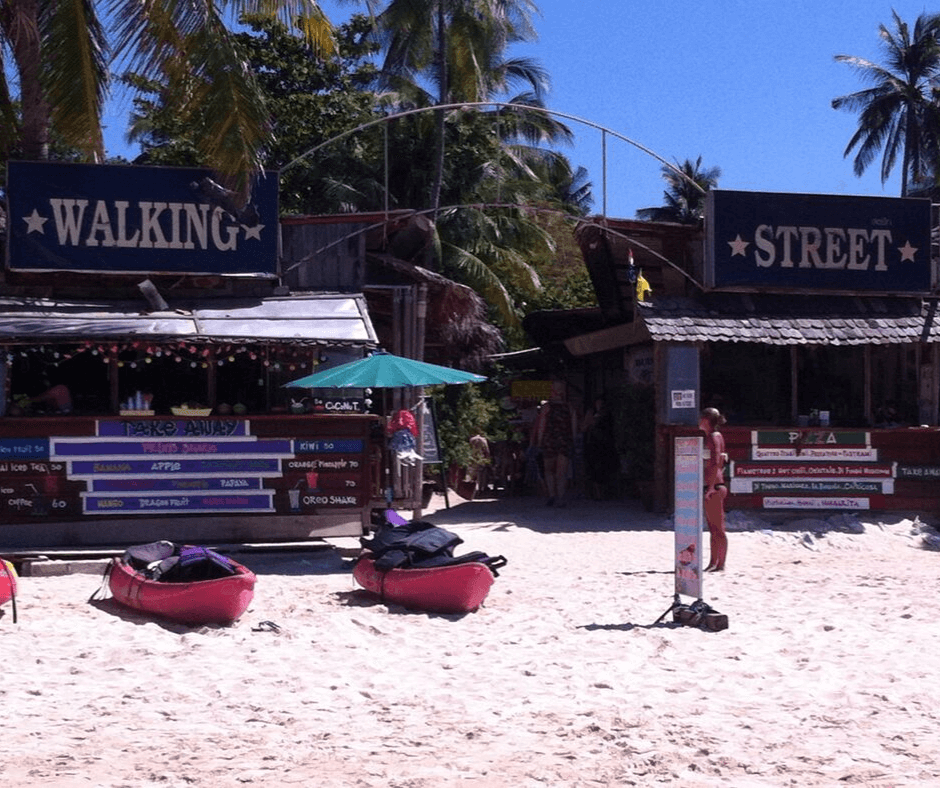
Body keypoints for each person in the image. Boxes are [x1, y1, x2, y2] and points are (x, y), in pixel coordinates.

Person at [533, 380, 578, 507]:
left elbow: (542, 425)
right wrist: (573, 440)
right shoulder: (569, 407)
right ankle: (561, 497)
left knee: (549, 470)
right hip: (565, 441)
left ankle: (552, 495)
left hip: (549, 441)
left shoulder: (547, 407)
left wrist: (540, 441)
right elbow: (574, 426)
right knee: (561, 472)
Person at [700, 406, 728, 571]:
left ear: (706, 420)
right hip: (712, 485)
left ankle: (721, 563)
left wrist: (710, 487)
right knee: (712, 528)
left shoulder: (713, 437)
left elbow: (717, 460)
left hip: (715, 486)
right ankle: (713, 562)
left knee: (718, 528)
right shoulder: (709, 437)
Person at [581, 396, 618, 499]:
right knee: (593, 469)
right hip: (592, 445)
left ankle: (604, 492)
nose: (599, 405)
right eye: (597, 403)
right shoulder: (591, 413)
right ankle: (596, 493)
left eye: (601, 403)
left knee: (604, 469)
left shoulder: (607, 415)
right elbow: (584, 427)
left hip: (605, 445)